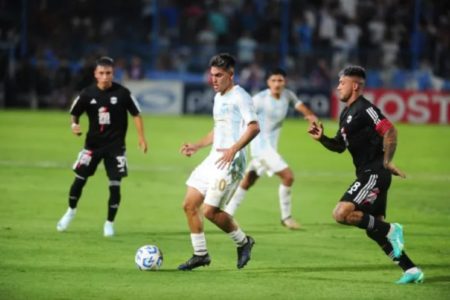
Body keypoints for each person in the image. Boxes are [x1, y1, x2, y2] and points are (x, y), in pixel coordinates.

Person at [308, 66, 424, 284]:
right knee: (374, 228)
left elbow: (390, 130)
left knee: (341, 213)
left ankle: (393, 228)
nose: (337, 87)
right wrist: (323, 138)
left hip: (375, 173)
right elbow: (339, 146)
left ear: (355, 85)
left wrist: (387, 161)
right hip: (369, 173)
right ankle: (410, 269)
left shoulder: (366, 109)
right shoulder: (346, 113)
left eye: (341, 83)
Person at [178, 53, 260, 270]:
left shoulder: (240, 96)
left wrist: (234, 149)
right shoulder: (219, 97)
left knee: (210, 211)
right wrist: (197, 145)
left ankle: (244, 242)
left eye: (219, 75)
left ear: (231, 75)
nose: (213, 79)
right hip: (214, 157)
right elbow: (219, 128)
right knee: (189, 204)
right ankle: (200, 254)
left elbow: (254, 127)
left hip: (232, 161)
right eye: (212, 75)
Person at [56, 56, 148, 237]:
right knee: (79, 179)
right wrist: (74, 125)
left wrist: (141, 138)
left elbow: (136, 114)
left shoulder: (122, 93)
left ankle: (109, 223)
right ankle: (71, 211)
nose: (105, 77)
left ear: (113, 74)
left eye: (108, 73)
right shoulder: (87, 94)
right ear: (95, 74)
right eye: (102, 73)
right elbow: (74, 113)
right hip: (92, 146)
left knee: (115, 185)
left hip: (116, 147)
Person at [224, 68, 318, 229]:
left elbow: (301, 106)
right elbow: (242, 114)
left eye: (280, 80)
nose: (277, 84)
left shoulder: (288, 95)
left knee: (249, 180)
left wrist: (311, 117)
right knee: (288, 177)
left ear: (285, 82)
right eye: (273, 80)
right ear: (268, 82)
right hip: (260, 147)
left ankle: (227, 214)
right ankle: (286, 217)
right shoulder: (260, 99)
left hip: (270, 148)